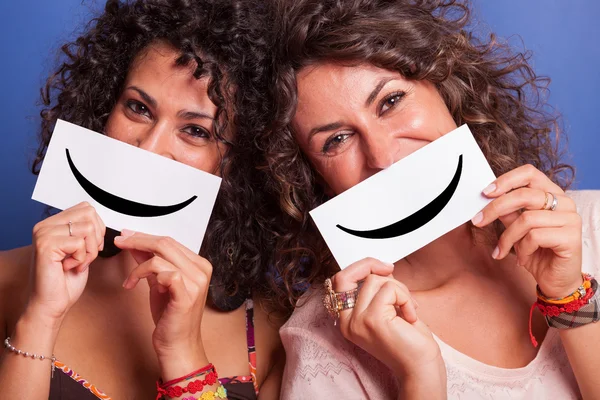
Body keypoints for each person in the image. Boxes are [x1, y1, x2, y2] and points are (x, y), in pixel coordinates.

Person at [249, 0, 600, 398]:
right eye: (337, 140)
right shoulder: (328, 341)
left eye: (391, 101)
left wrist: (569, 295)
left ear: (445, 85)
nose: (382, 156)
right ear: (309, 176)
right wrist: (419, 377)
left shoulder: (588, 226)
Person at [0, 1, 285, 399]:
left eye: (196, 131)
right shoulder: (6, 280)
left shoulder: (273, 329)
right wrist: (39, 319)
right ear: (102, 110)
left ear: (236, 165)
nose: (149, 149)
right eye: (138, 108)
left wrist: (182, 352)